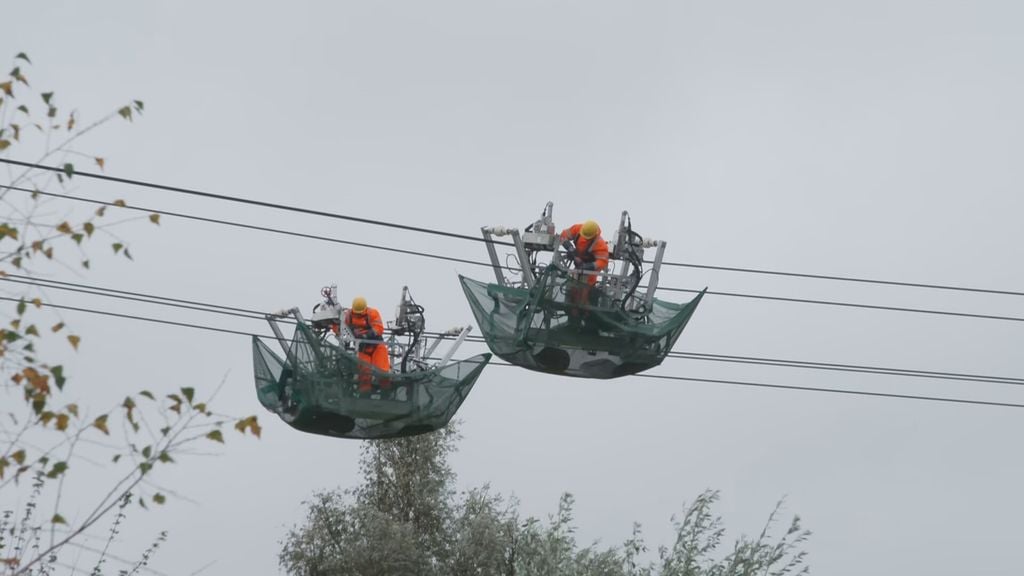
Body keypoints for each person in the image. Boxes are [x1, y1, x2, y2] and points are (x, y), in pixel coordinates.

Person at [344, 296, 391, 394]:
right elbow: (341, 326)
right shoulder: (348, 316)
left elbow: (379, 328)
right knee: (364, 373)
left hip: (377, 346)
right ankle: (364, 395)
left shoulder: (372, 313)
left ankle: (386, 393)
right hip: (362, 348)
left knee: (382, 371)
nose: (358, 314)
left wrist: (365, 335)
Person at [560, 220, 609, 313]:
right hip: (576, 267)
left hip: (589, 272)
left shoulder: (600, 244)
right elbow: (563, 236)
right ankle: (571, 312)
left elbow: (602, 262)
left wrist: (586, 266)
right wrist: (571, 250)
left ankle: (583, 315)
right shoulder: (577, 229)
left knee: (585, 294)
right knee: (572, 289)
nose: (584, 238)